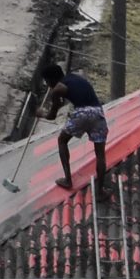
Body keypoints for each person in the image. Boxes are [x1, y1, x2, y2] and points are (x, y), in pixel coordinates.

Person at [38, 60, 111, 194]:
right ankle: (100, 191)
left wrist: (41, 114)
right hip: (98, 112)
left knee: (62, 140)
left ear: (51, 79)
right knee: (100, 154)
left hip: (82, 113)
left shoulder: (57, 88)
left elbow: (52, 115)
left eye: (47, 81)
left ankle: (67, 180)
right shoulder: (75, 78)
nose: (47, 85)